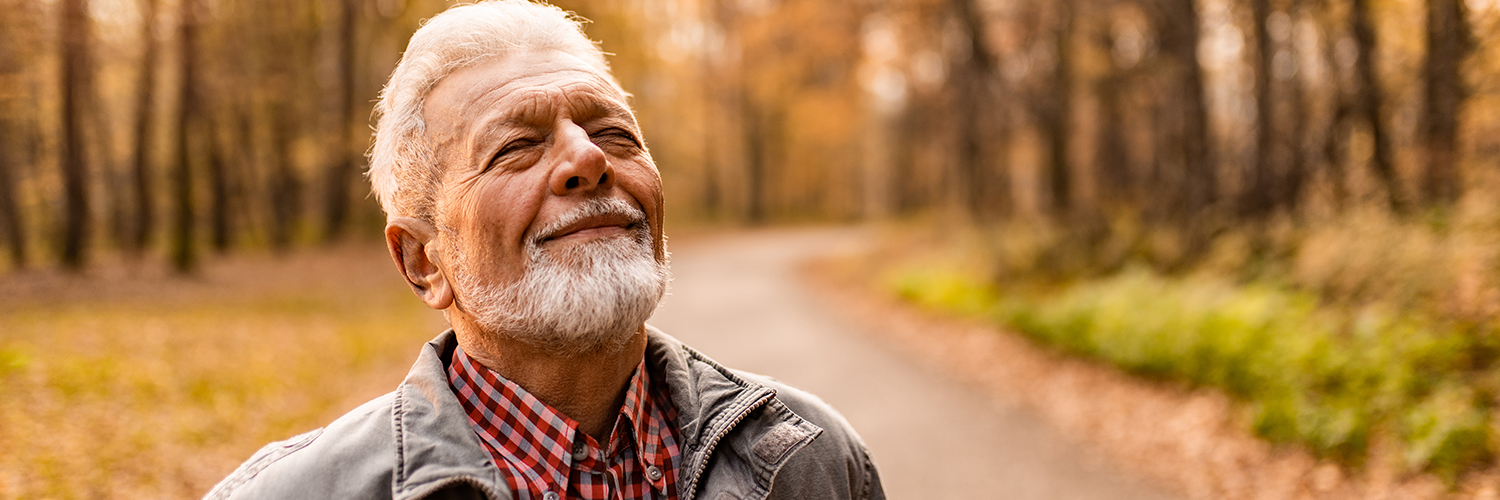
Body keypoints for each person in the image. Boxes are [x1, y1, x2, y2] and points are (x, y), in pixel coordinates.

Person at [204, 1, 883, 499]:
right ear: (422, 260)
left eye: (614, 132)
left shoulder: (812, 462)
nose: (587, 159)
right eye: (515, 147)